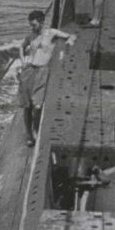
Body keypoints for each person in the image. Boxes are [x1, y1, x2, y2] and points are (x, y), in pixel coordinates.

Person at [20, 10, 76, 146]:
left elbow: (71, 36)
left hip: (43, 71)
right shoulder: (30, 36)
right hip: (29, 71)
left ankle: (35, 129)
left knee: (37, 106)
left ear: (42, 22)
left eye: (33, 25)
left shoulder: (51, 33)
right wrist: (23, 61)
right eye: (30, 25)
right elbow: (22, 47)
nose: (31, 28)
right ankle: (28, 134)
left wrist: (69, 44)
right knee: (26, 105)